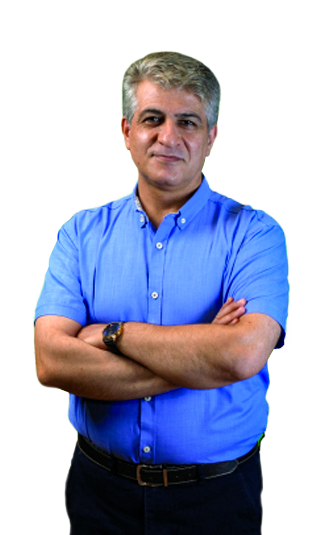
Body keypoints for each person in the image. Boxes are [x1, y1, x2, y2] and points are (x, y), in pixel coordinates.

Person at [34, 50, 289, 535]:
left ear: (210, 137)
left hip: (217, 499)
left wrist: (111, 334)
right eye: (152, 119)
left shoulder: (254, 235)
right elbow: (51, 363)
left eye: (187, 122)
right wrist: (200, 358)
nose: (168, 136)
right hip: (99, 494)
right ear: (127, 130)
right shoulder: (79, 235)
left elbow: (241, 355)